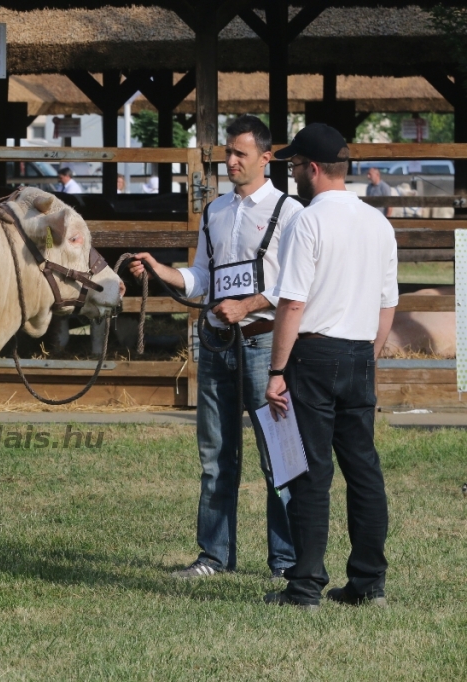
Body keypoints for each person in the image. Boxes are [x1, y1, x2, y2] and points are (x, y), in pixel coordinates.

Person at [128, 115, 302, 580]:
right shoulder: (217, 211)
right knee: (215, 454)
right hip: (217, 344)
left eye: (240, 153)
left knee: (277, 457)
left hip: (266, 345)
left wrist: (248, 305)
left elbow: (297, 285)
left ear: (266, 158)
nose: (230, 161)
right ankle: (214, 556)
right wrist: (162, 271)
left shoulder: (290, 212)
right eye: (228, 151)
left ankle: (285, 562)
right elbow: (201, 277)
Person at [264, 123, 397, 610]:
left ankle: (304, 586)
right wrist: (370, 355)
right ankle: (368, 582)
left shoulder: (308, 220)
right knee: (363, 469)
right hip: (361, 351)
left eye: (295, 166)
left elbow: (292, 302)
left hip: (314, 353)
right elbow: (387, 305)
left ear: (313, 169)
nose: (293, 174)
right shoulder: (378, 222)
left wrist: (277, 370)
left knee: (310, 473)